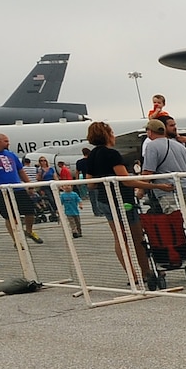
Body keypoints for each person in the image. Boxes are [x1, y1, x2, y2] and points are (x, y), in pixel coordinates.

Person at [79, 120, 169, 286]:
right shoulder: (112, 154)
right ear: (107, 135)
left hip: (104, 199)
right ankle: (145, 271)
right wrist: (155, 185)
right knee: (136, 236)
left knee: (120, 237)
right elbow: (126, 181)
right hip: (122, 199)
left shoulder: (92, 155)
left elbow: (90, 184)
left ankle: (132, 275)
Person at [0, 133, 41, 245]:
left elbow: (21, 171)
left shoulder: (11, 155)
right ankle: (17, 240)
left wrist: (29, 185)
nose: (8, 143)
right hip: (1, 191)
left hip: (17, 188)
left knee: (30, 211)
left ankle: (29, 231)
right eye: (5, 141)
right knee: (9, 216)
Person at [56, 166, 83, 238]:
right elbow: (60, 203)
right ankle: (74, 232)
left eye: (68, 185)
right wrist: (58, 209)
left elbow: (79, 200)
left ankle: (79, 231)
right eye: (65, 186)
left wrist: (80, 205)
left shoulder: (74, 194)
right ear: (63, 187)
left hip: (76, 211)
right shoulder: (63, 195)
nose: (67, 187)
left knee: (78, 223)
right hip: (68, 212)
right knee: (72, 223)